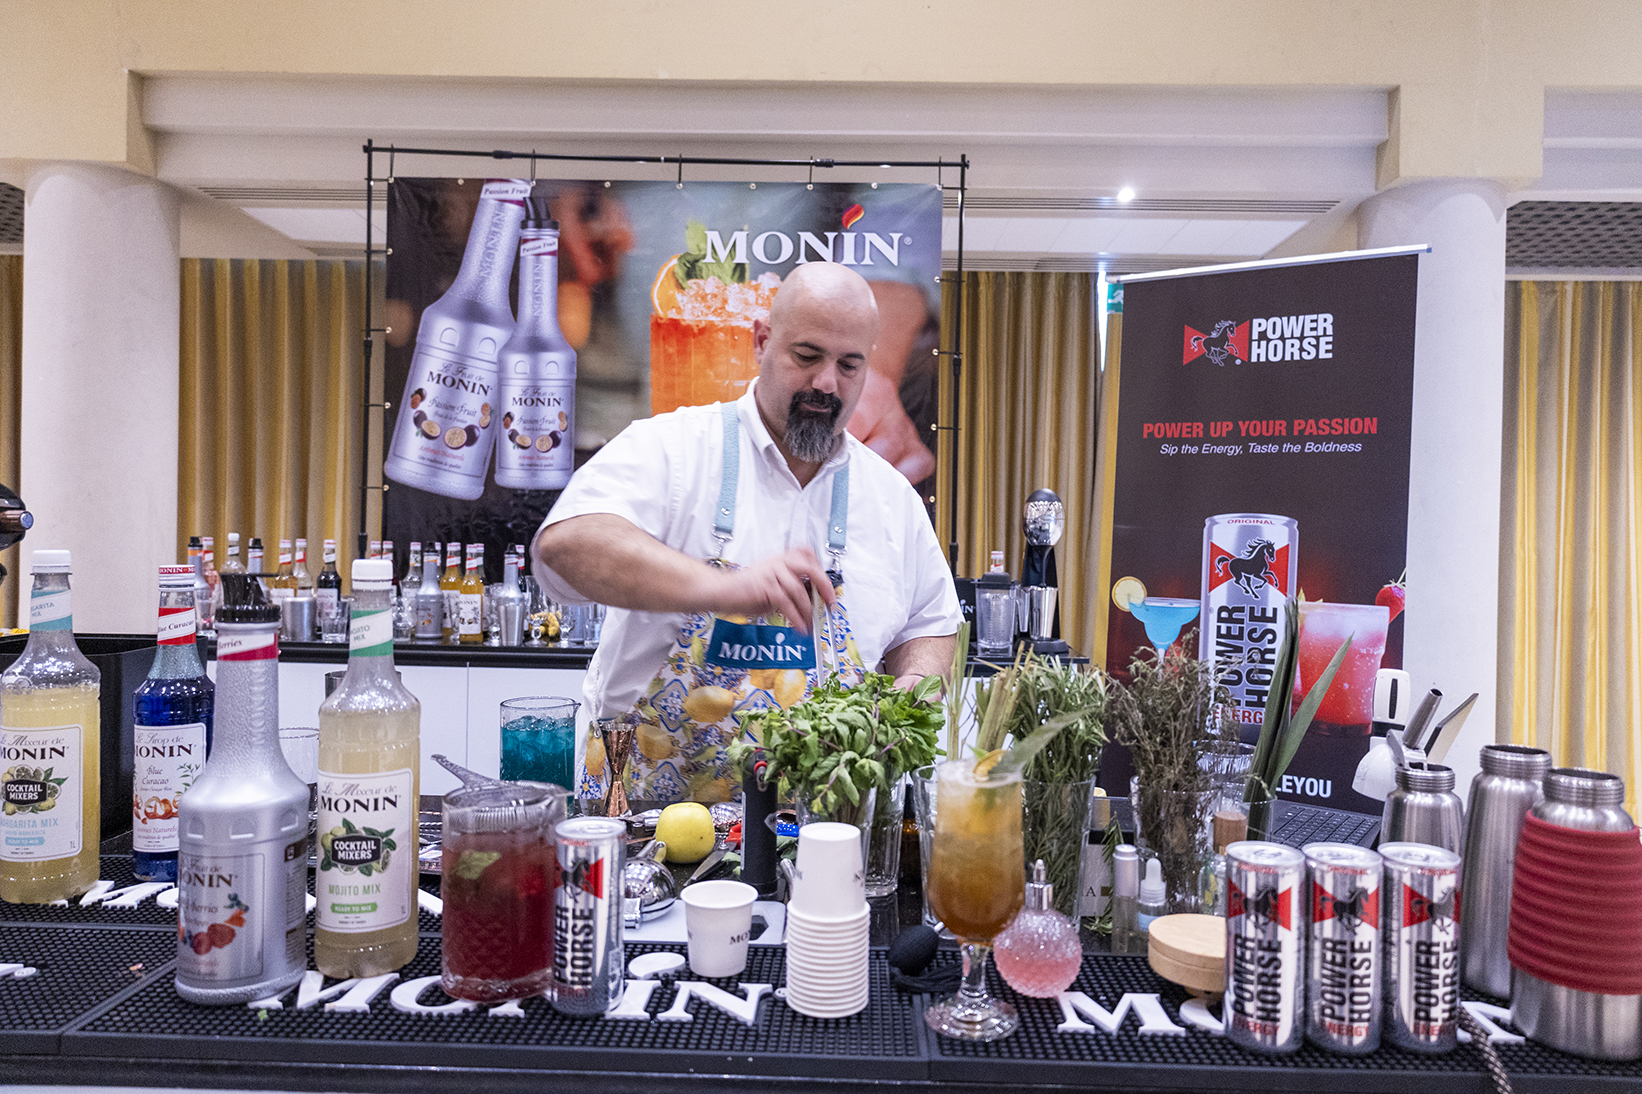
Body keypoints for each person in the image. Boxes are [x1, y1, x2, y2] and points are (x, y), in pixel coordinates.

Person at [533, 261, 962, 803]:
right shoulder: (673, 449)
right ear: (761, 341)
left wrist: (909, 694)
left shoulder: (891, 498)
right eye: (807, 356)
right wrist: (722, 588)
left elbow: (931, 622)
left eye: (849, 365)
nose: (826, 382)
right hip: (644, 823)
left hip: (818, 827)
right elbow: (566, 544)